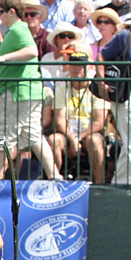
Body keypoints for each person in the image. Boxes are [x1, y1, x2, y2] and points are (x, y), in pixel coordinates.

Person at [0, 0, 59, 180]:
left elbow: (31, 51)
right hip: (25, 91)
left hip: (17, 92)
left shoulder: (19, 29)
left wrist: (2, 58)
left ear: (11, 12)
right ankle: (55, 176)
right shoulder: (16, 30)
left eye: (0, 12)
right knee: (33, 136)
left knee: (4, 139)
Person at [48, 48, 108, 183]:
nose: (78, 69)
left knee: (95, 141)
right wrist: (72, 139)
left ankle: (99, 185)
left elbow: (99, 122)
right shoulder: (62, 89)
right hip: (67, 134)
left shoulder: (96, 89)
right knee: (53, 140)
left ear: (88, 68)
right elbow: (59, 121)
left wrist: (79, 138)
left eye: (81, 65)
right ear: (68, 67)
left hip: (89, 134)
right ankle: (54, 182)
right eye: (74, 65)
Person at [100, 3, 131, 186]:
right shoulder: (126, 36)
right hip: (128, 97)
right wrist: (102, 82)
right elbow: (102, 56)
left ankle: (121, 185)